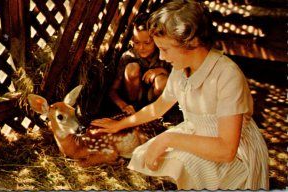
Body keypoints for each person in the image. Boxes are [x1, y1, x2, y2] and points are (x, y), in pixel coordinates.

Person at [91, 0, 269, 190]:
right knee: (145, 154)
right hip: (197, 135)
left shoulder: (227, 75)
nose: (161, 57)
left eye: (165, 49)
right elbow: (158, 107)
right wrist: (120, 124)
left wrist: (167, 138)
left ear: (192, 42)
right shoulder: (180, 69)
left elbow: (226, 150)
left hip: (231, 150)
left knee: (180, 163)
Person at [109, 12, 171, 115]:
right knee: (132, 68)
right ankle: (135, 109)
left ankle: (157, 114)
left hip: (156, 103)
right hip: (134, 102)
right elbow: (113, 90)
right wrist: (124, 106)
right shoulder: (128, 56)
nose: (141, 48)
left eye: (147, 43)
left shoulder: (164, 55)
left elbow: (179, 82)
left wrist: (162, 71)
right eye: (137, 42)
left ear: (156, 39)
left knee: (162, 80)